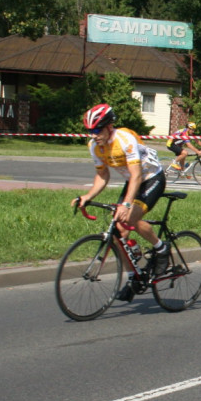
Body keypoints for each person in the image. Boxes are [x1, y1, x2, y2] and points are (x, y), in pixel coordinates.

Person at [73, 104, 169, 302]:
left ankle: (161, 248)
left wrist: (126, 205)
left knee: (130, 217)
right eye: (90, 131)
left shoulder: (125, 139)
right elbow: (102, 175)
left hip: (151, 178)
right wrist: (87, 196)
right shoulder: (94, 146)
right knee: (118, 232)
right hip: (133, 181)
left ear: (109, 126)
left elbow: (136, 175)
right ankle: (134, 277)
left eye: (97, 130)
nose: (93, 135)